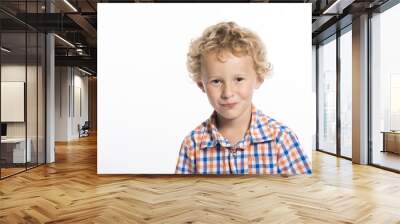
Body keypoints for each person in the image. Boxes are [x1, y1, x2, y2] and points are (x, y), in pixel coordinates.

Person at [175, 21, 311, 175]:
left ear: (258, 78)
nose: (228, 92)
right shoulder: (192, 144)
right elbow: (183, 197)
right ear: (201, 85)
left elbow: (304, 194)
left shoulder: (281, 139)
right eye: (216, 81)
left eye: (238, 79)